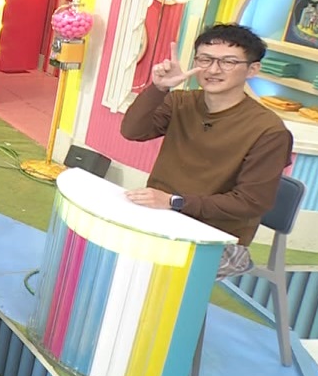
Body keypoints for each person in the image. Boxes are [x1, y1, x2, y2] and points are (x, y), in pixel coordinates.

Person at [119, 26, 295, 278]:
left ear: (252, 69)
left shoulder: (269, 131)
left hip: (221, 240)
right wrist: (159, 89)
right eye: (205, 59)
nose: (213, 70)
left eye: (228, 62)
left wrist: (174, 202)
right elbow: (133, 131)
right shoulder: (181, 102)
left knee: (147, 273)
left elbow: (251, 202)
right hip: (163, 217)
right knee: (110, 249)